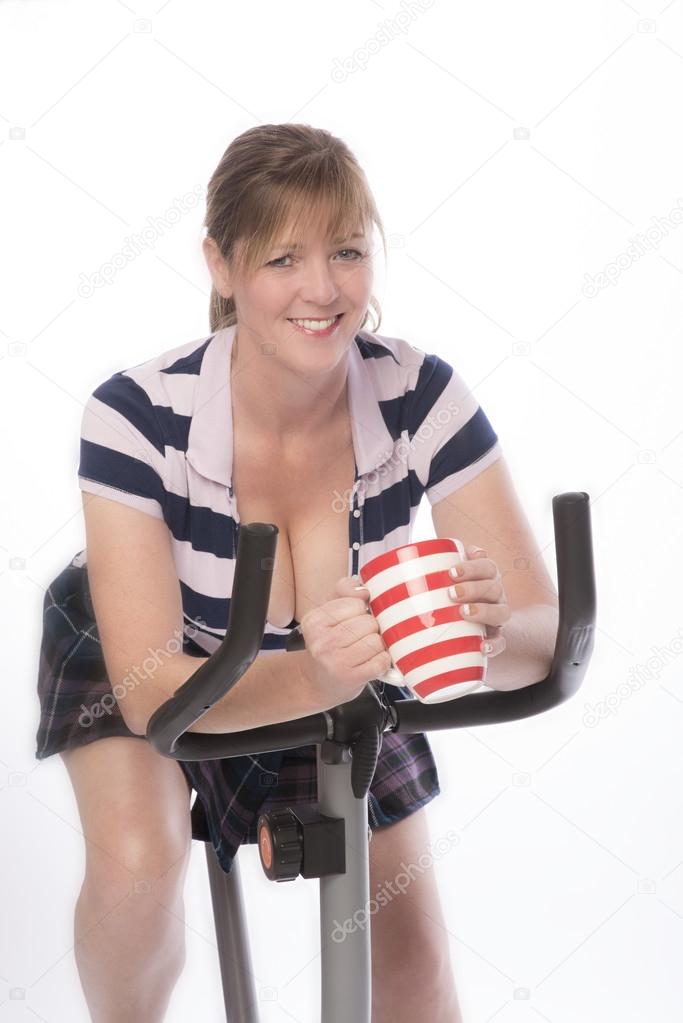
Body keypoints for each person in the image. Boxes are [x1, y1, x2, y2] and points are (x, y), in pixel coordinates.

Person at [35, 123, 504, 1022]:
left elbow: (534, 624)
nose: (322, 289)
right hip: (156, 648)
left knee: (412, 971)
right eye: (283, 258)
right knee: (139, 868)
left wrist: (491, 626)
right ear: (222, 263)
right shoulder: (133, 413)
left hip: (338, 651)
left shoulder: (419, 392)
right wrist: (319, 676)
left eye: (346, 251)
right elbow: (152, 694)